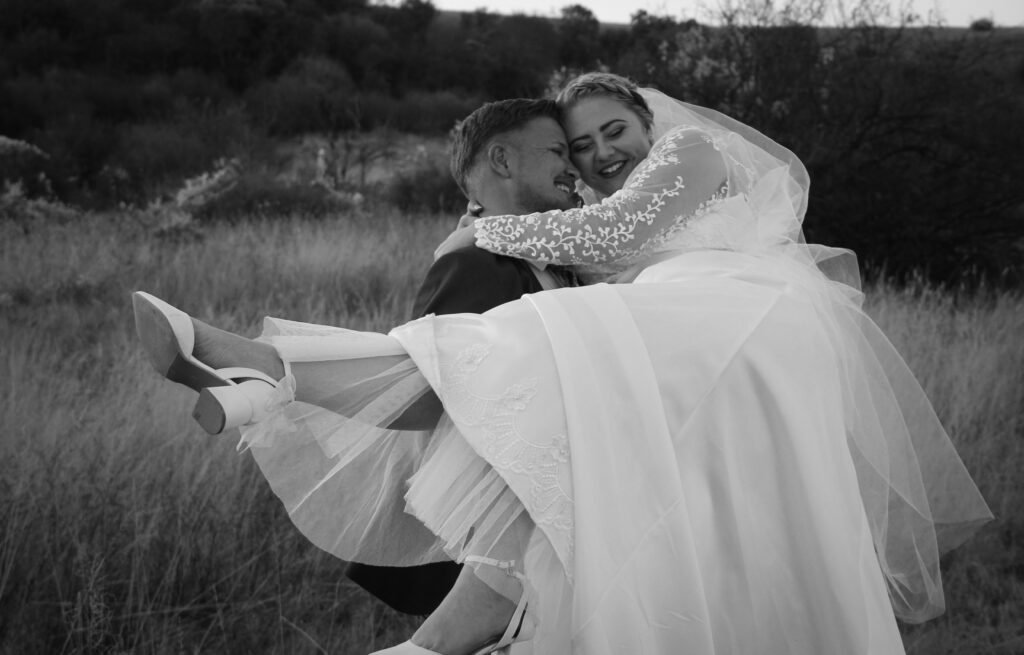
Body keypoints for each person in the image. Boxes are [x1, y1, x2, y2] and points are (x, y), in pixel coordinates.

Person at [133, 73, 992, 655]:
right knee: (596, 489)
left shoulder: (692, 154)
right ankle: (264, 383)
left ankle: (266, 368)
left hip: (741, 320)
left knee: (516, 350)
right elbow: (606, 235)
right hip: (712, 352)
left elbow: (612, 232)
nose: (601, 154)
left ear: (649, 123)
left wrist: (479, 230)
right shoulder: (619, 230)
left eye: (614, 130)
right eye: (581, 148)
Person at [347, 97, 581, 618]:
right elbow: (433, 399)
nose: (573, 167)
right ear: (502, 160)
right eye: (558, 151)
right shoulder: (472, 264)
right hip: (491, 538)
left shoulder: (562, 259)